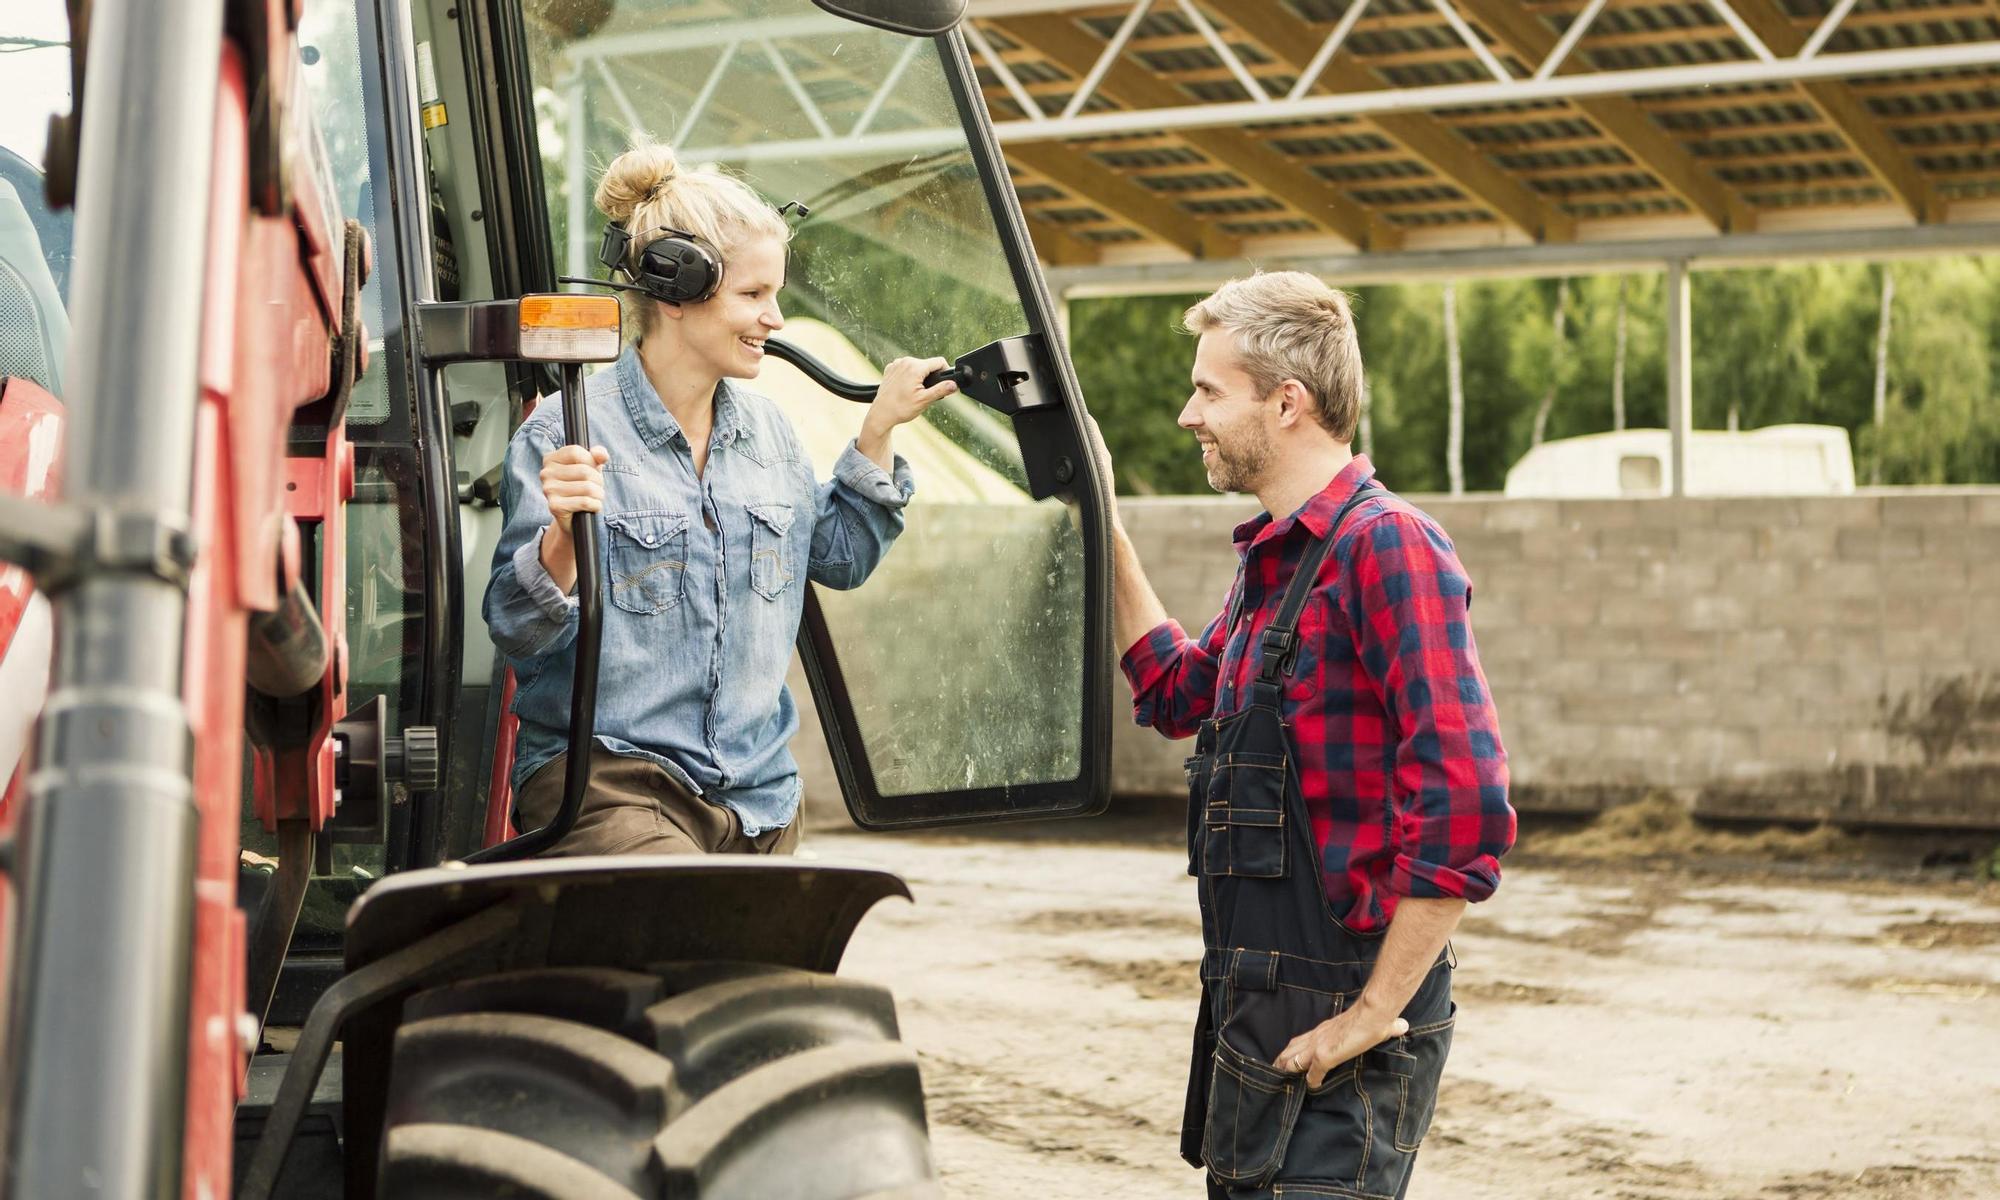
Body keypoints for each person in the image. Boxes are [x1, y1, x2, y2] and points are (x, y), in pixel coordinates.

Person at [1087, 271, 1515, 1199]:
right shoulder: (1276, 563)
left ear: (1288, 403)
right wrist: (1103, 523)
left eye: (1208, 390)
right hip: (1255, 1010)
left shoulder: (1387, 544)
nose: (1186, 414)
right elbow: (1176, 691)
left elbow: (1466, 802)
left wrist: (1373, 1012)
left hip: (1344, 1023)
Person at [482, 142, 956, 857]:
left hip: (758, 799)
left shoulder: (770, 434)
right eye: (753, 295)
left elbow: (840, 559)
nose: (776, 319)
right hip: (611, 784)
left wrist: (879, 429)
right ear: (676, 287)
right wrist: (559, 538)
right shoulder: (566, 427)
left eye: (777, 296)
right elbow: (517, 631)